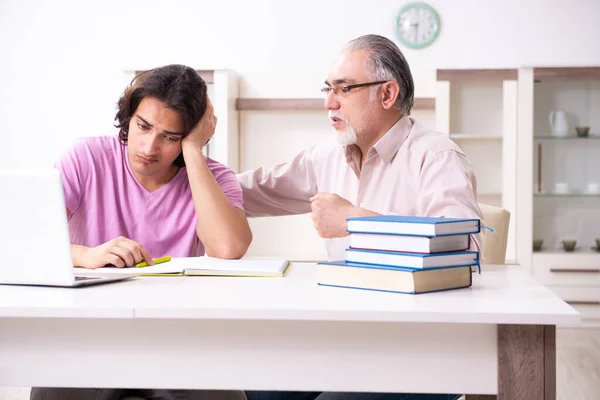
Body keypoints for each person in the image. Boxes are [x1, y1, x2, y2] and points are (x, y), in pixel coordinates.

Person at [239, 34, 481, 400]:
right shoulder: (326, 156)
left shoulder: (437, 156)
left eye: (343, 89)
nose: (328, 103)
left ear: (387, 94)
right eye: (327, 89)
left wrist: (355, 222)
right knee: (259, 394)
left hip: (422, 346)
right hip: (345, 333)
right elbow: (253, 190)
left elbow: (463, 248)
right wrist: (186, 162)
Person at [30, 64, 250, 400]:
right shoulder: (87, 157)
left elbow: (228, 247)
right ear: (128, 117)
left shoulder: (215, 178)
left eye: (170, 137)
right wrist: (86, 256)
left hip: (177, 339)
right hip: (90, 333)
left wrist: (193, 152)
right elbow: (30, 242)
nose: (149, 147)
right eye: (143, 127)